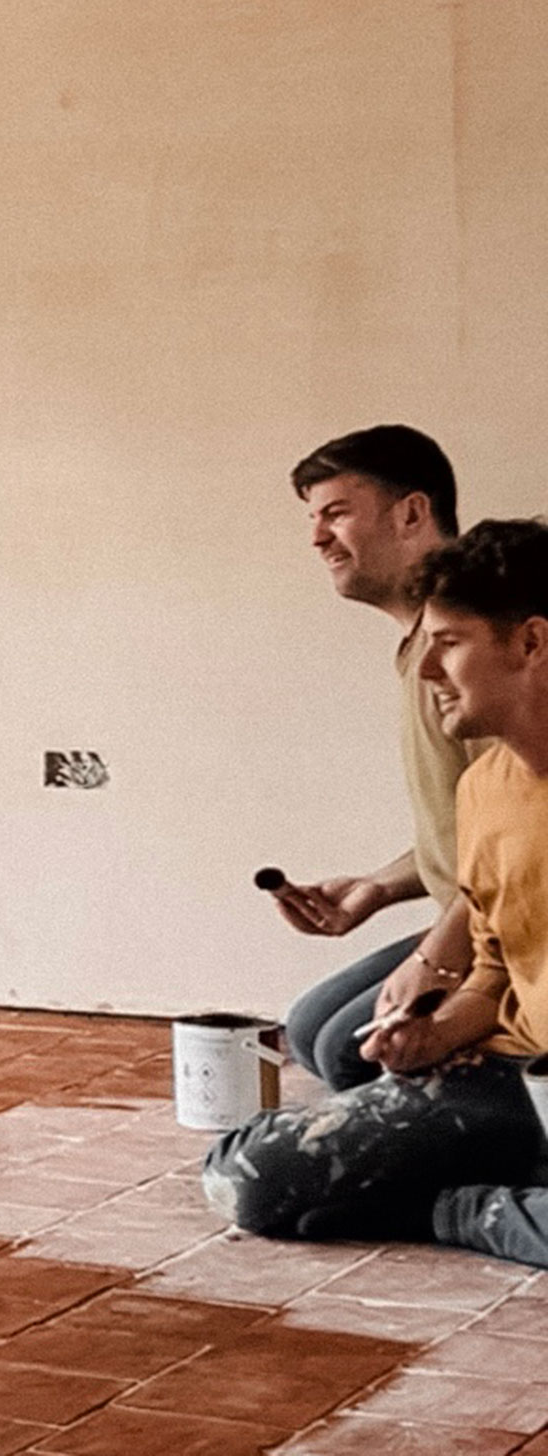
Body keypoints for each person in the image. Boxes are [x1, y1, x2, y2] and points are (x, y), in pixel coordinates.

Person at [203, 520, 548, 1264]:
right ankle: (501, 1194)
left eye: (449, 643)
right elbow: (495, 971)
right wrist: (436, 1034)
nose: (428, 672)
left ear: (531, 643)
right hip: (515, 1079)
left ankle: (476, 1209)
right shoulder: (486, 789)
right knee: (245, 1175)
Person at [277, 426, 479, 1090]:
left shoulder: (474, 646)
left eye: (336, 513)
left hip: (511, 932)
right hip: (469, 917)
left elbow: (529, 833)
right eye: (313, 519)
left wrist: (439, 960)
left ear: (412, 512)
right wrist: (379, 887)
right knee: (308, 1028)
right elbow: (466, 830)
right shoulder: (421, 643)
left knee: (346, 1051)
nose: (317, 538)